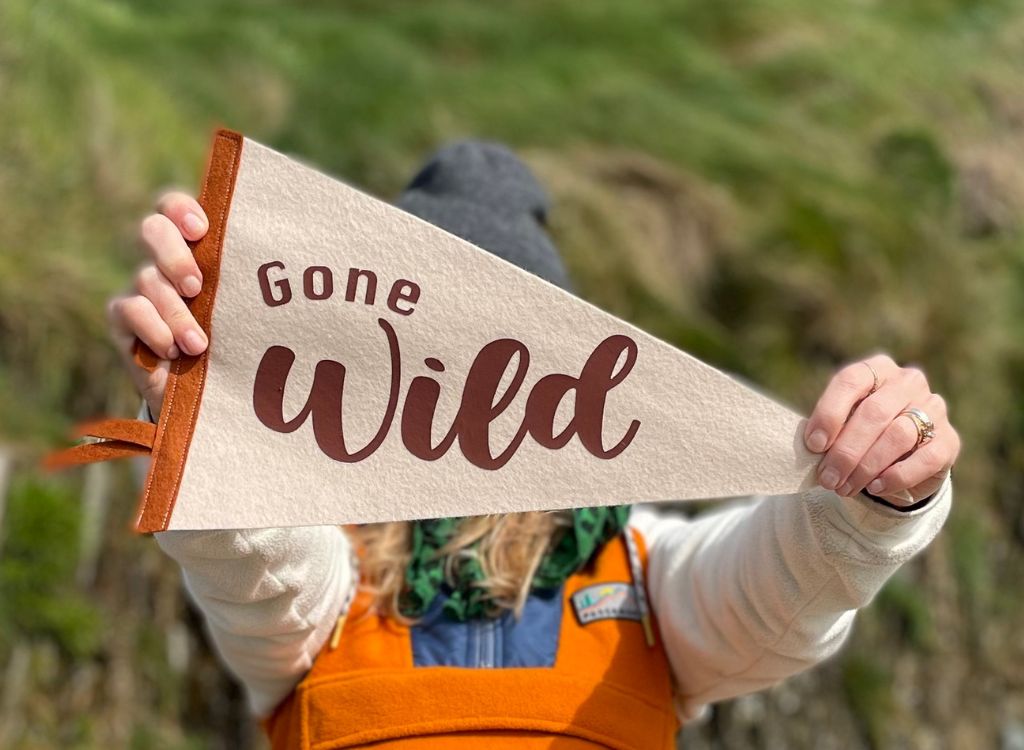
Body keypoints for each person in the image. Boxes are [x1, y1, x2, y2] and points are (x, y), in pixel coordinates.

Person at [110, 141, 960, 748]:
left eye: (498, 357)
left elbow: (792, 576)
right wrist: (204, 415)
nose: (454, 395)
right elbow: (248, 551)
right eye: (423, 358)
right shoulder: (324, 584)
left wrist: (881, 489)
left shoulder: (649, 573)